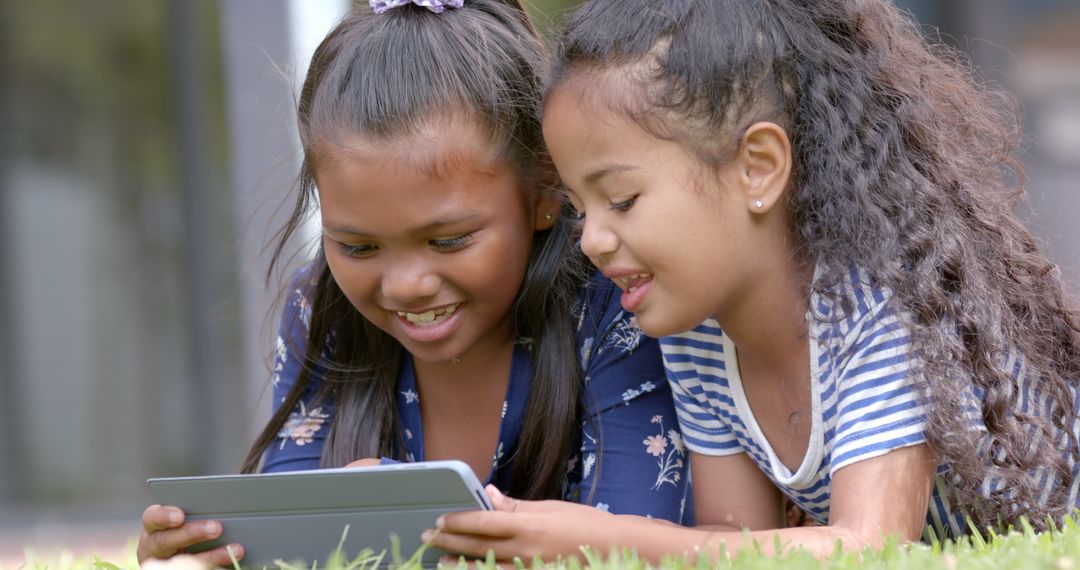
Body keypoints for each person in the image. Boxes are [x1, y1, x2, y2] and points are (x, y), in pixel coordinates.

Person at [427, 0, 1080, 562]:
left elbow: (870, 549)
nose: (591, 239)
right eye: (578, 207)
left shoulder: (876, 307)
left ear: (758, 168)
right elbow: (734, 540)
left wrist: (607, 539)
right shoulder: (696, 333)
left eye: (621, 199)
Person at [136, 0, 691, 565]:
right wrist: (213, 549)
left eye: (448, 239)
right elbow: (292, 533)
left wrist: (391, 504)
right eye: (357, 247)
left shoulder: (609, 302)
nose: (405, 285)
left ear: (545, 190)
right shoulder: (322, 309)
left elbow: (633, 534)